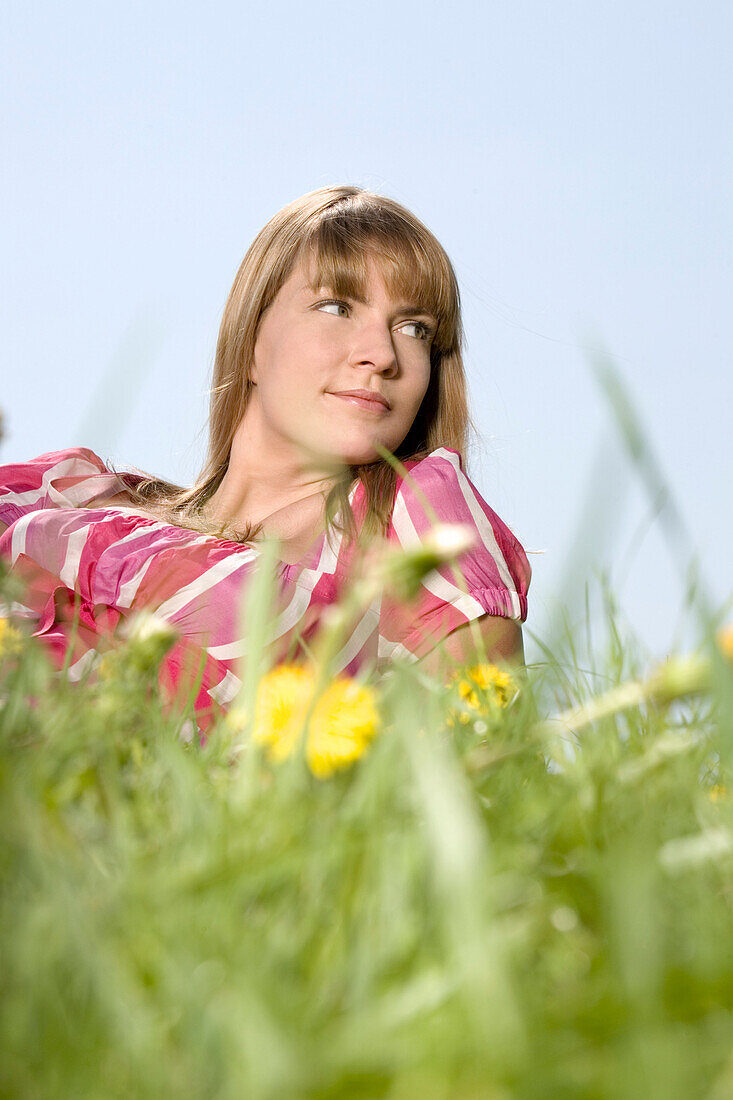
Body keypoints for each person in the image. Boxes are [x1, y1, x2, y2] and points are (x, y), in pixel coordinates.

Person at [0, 185, 531, 738]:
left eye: (414, 328)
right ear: (253, 339)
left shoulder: (416, 521)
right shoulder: (65, 491)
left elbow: (488, 767)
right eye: (337, 306)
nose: (383, 354)